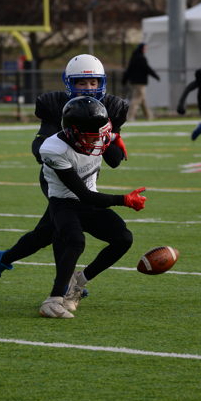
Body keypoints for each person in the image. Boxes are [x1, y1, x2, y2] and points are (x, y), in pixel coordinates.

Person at [0, 53, 129, 298]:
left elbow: (114, 161)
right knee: (67, 232)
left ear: (102, 83)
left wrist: (110, 136)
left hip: (88, 174)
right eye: (81, 82)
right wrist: (68, 140)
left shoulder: (111, 108)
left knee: (45, 234)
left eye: (93, 82)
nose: (88, 88)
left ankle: (3, 259)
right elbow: (40, 149)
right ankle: (64, 288)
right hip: (58, 174)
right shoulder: (56, 106)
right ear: (69, 83)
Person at [38, 95, 146, 318]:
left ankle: (79, 282)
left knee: (123, 238)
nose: (97, 140)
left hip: (88, 200)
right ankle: (53, 300)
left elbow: (107, 136)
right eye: (90, 135)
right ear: (72, 132)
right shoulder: (54, 149)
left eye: (100, 133)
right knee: (75, 241)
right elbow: (84, 195)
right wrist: (124, 200)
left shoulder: (95, 134)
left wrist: (116, 137)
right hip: (64, 202)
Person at [122, 42, 160, 121]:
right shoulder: (141, 58)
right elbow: (147, 69)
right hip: (140, 83)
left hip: (134, 82)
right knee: (136, 99)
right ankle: (130, 117)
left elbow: (129, 70)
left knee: (142, 100)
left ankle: (149, 116)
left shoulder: (134, 57)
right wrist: (156, 76)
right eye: (145, 48)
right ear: (141, 49)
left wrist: (124, 80)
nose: (146, 50)